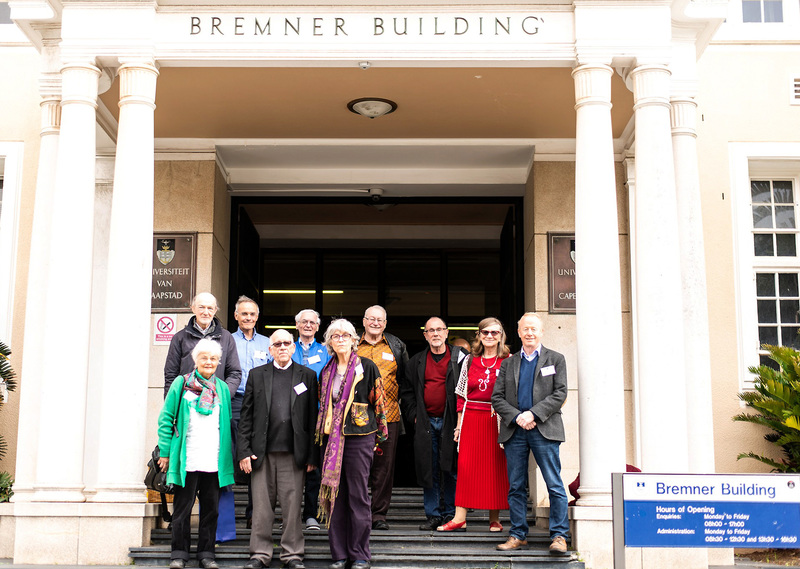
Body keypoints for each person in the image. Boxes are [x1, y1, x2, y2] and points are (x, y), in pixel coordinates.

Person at [238, 329, 318, 569]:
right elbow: (246, 416)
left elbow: (313, 418)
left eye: (287, 343)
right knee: (262, 508)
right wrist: (243, 450)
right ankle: (260, 554)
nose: (283, 347)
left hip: (294, 454)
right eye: (277, 344)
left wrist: (312, 455)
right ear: (270, 349)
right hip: (261, 453)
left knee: (293, 507)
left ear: (293, 348)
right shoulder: (256, 374)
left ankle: (292, 554)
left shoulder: (308, 375)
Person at [491, 312, 569, 554]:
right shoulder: (508, 363)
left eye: (534, 328)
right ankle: (518, 534)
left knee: (554, 484)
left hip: (544, 429)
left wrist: (532, 414)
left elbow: (560, 393)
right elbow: (497, 397)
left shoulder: (555, 359)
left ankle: (559, 536)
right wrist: (517, 417)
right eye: (525, 329)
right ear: (518, 332)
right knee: (516, 486)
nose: (530, 333)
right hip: (515, 431)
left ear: (541, 332)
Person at [317, 319, 388, 569]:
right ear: (329, 342)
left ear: (353, 339)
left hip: (359, 438)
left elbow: (379, 405)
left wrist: (379, 436)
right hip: (332, 441)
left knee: (358, 496)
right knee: (334, 495)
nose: (340, 339)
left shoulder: (366, 367)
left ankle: (359, 554)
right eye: (335, 336)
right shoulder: (326, 370)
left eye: (345, 335)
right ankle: (339, 554)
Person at [157, 338, 234, 569]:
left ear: (219, 361)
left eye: (213, 358)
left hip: (213, 458)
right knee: (182, 509)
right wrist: (165, 451)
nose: (209, 362)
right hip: (187, 458)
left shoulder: (222, 388)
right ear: (195, 360)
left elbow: (226, 423)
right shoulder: (181, 384)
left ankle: (206, 553)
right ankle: (179, 554)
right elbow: (166, 419)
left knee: (211, 510)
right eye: (204, 358)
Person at [437, 317, 511, 533]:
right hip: (471, 418)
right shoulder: (470, 360)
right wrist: (458, 426)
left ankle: (494, 518)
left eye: (494, 333)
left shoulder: (508, 359)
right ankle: (459, 518)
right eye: (485, 332)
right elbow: (461, 395)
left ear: (501, 336)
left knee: (494, 467)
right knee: (466, 467)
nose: (489, 336)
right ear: (479, 335)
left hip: (496, 419)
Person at [400, 317, 466, 531]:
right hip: (426, 423)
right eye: (431, 330)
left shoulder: (460, 359)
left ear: (447, 333)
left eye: (439, 330)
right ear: (425, 335)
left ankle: (451, 513)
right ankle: (433, 515)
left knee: (451, 468)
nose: (435, 334)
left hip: (452, 424)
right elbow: (407, 393)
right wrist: (415, 417)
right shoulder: (416, 361)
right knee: (429, 469)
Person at [357, 305, 408, 530]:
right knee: (358, 466)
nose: (376, 323)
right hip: (357, 418)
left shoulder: (396, 346)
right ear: (364, 321)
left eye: (380, 320)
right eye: (372, 319)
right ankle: (358, 512)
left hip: (390, 416)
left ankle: (378, 515)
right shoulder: (352, 344)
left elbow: (406, 381)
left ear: (385, 323)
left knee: (383, 467)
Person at [230, 295, 272, 532]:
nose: (248, 317)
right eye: (243, 313)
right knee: (233, 454)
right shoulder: (226, 340)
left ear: (257, 317)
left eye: (252, 314)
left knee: (257, 457)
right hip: (234, 401)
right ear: (236, 316)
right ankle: (225, 516)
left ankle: (253, 514)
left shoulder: (266, 343)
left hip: (260, 405)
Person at [292, 308, 331, 531]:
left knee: (314, 467)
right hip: (290, 415)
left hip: (317, 415)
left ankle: (310, 515)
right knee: (291, 466)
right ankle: (290, 514)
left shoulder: (325, 351)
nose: (308, 325)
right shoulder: (288, 346)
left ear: (317, 327)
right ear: (297, 325)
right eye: (304, 322)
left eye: (312, 322)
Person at [164, 292, 241, 398]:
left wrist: (223, 395)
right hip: (186, 402)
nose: (206, 312)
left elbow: (234, 373)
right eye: (201, 307)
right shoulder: (179, 338)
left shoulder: (226, 337)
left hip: (216, 402)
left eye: (210, 308)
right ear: (193, 308)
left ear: (215, 311)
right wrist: (172, 403)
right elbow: (171, 374)